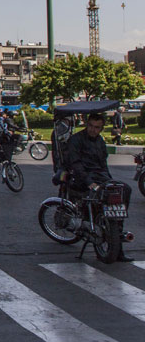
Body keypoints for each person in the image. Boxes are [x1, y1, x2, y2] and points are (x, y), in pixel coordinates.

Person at [64, 112, 134, 261]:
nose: (93, 130)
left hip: (101, 177)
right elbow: (75, 165)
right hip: (82, 178)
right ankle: (97, 237)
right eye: (91, 126)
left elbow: (103, 164)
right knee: (96, 199)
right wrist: (90, 182)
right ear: (86, 124)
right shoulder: (75, 140)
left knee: (124, 190)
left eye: (97, 127)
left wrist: (109, 180)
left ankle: (117, 244)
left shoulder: (100, 141)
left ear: (101, 129)